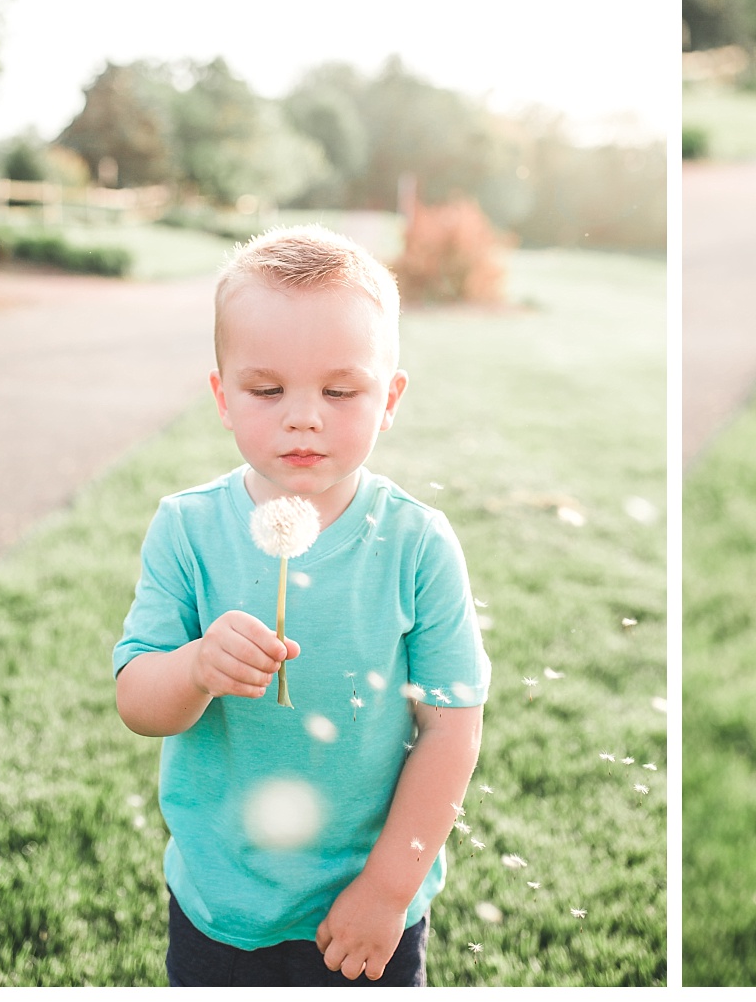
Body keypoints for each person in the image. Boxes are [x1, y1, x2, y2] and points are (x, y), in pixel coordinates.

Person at [113, 225, 490, 986]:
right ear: (222, 396)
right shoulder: (187, 528)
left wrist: (388, 889)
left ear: (390, 399)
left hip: (368, 904)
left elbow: (451, 723)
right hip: (222, 899)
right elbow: (137, 701)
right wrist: (194, 667)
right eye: (267, 388)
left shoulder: (417, 543)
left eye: (341, 390)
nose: (304, 416)